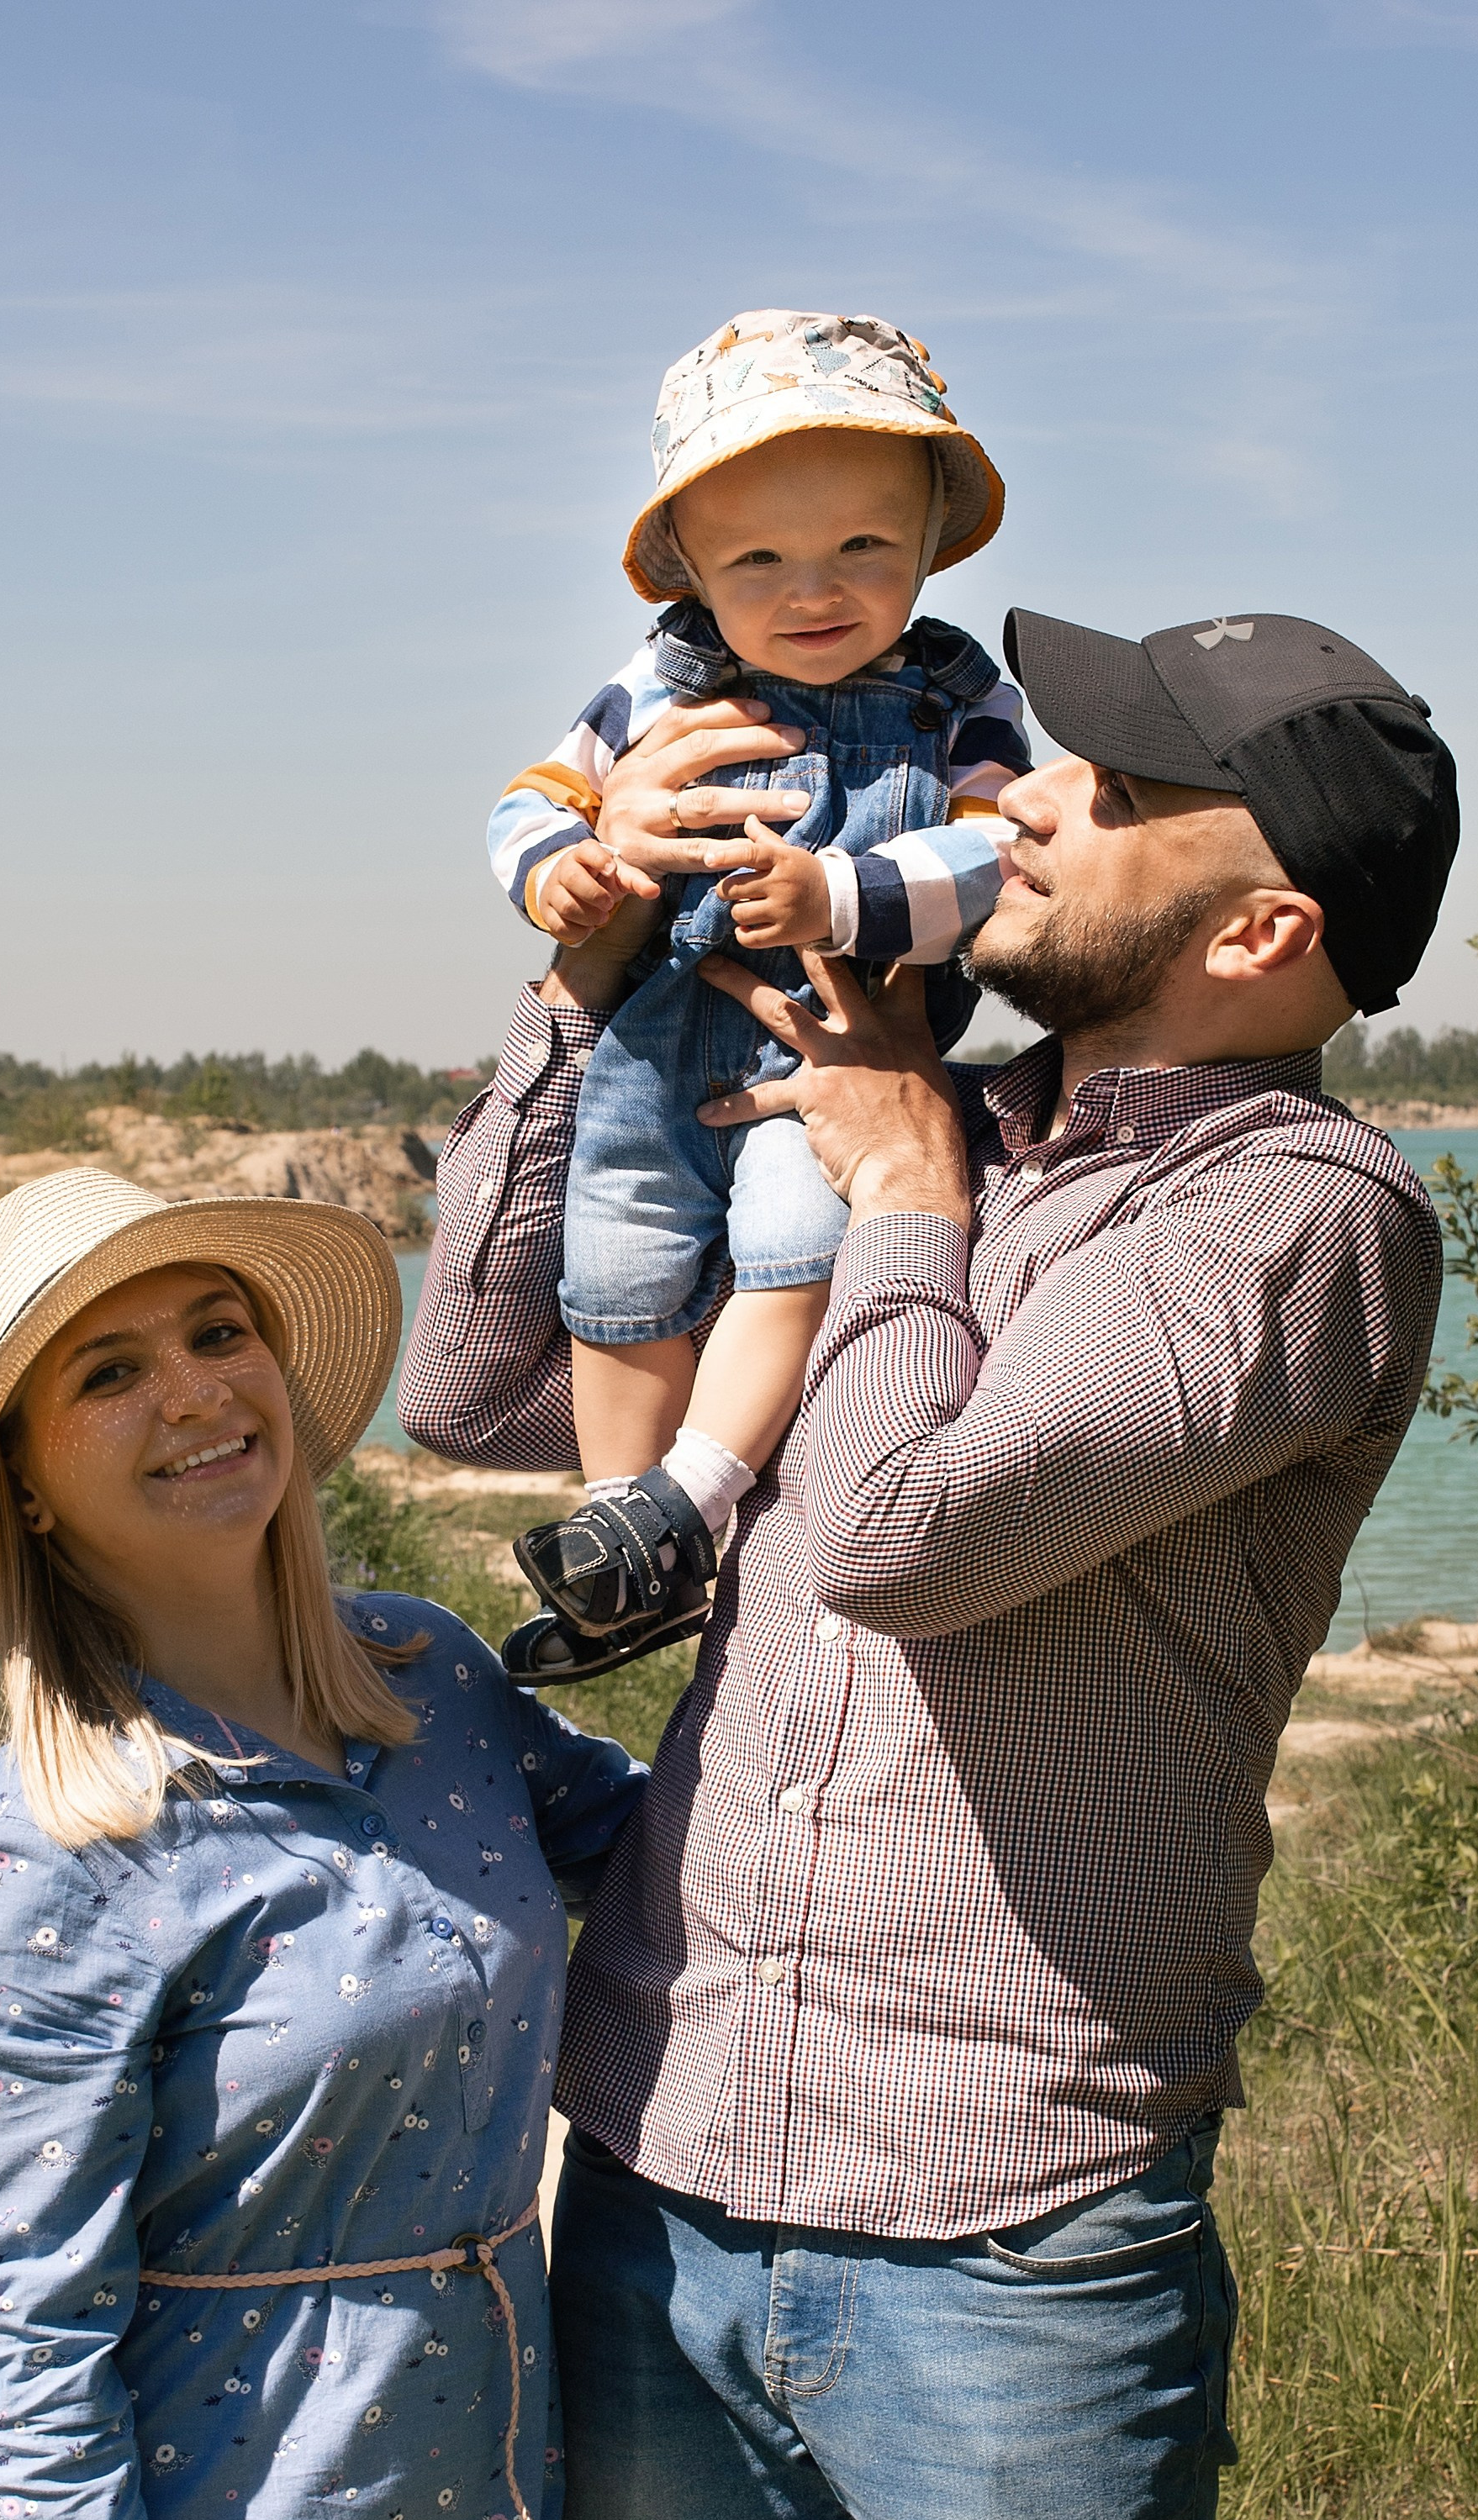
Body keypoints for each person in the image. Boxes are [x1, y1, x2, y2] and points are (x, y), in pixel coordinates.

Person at [402, 608, 1459, 2520]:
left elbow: (902, 1527)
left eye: (1097, 794)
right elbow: (469, 1387)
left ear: (1259, 930)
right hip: (661, 2188)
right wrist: (596, 980)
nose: (1013, 800)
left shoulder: (1302, 1220)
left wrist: (889, 1187)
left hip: (1012, 2237)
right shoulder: (936, 1109)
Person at [0, 1168, 716, 2520]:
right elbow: (22, 2344)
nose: (195, 1392)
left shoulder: (432, 1681)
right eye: (108, 1370)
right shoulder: (47, 1860)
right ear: (20, 1473)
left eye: (216, 1330)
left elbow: (680, 1850)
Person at [485, 309, 1027, 1685]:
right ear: (689, 572)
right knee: (614, 1261)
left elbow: (996, 849)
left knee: (795, 1239)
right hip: (652, 1054)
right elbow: (528, 802)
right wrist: (568, 869)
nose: (814, 588)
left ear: (923, 545)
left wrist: (839, 898)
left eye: (862, 546)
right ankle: (625, 1525)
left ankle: (697, 1495)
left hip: (832, 1058)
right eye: (759, 559)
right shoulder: (655, 686)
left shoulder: (957, 691)